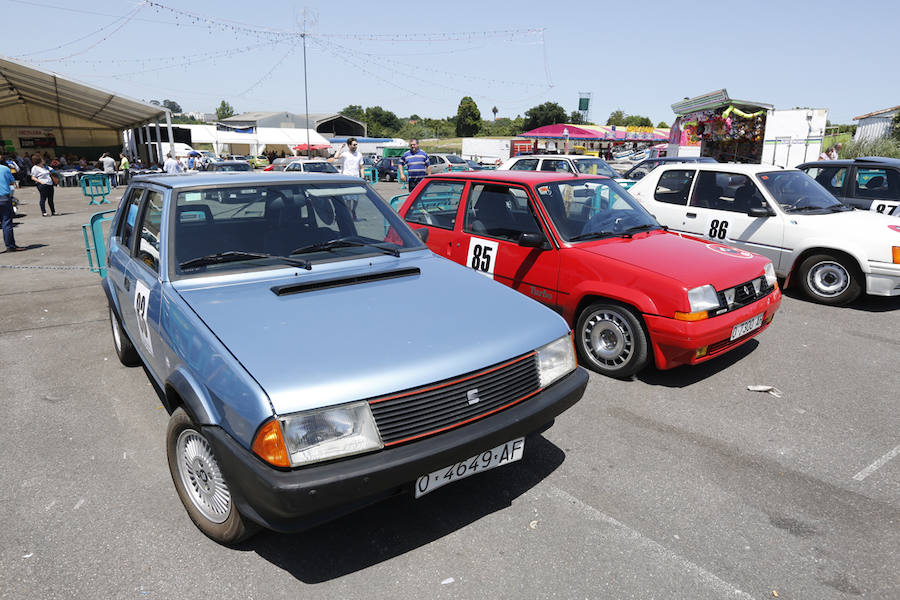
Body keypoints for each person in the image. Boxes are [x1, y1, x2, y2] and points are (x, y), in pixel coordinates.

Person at [329, 138, 365, 220]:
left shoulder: (359, 154)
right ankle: (349, 216)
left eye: (356, 144)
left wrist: (363, 177)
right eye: (354, 145)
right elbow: (336, 156)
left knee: (356, 199)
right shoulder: (345, 154)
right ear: (349, 145)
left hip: (356, 179)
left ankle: (353, 211)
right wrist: (340, 148)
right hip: (346, 178)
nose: (355, 146)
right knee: (348, 199)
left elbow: (361, 167)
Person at [0, 160, 24, 252]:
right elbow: (11, 181)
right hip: (4, 198)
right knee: (6, 223)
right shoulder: (5, 169)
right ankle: (10, 246)